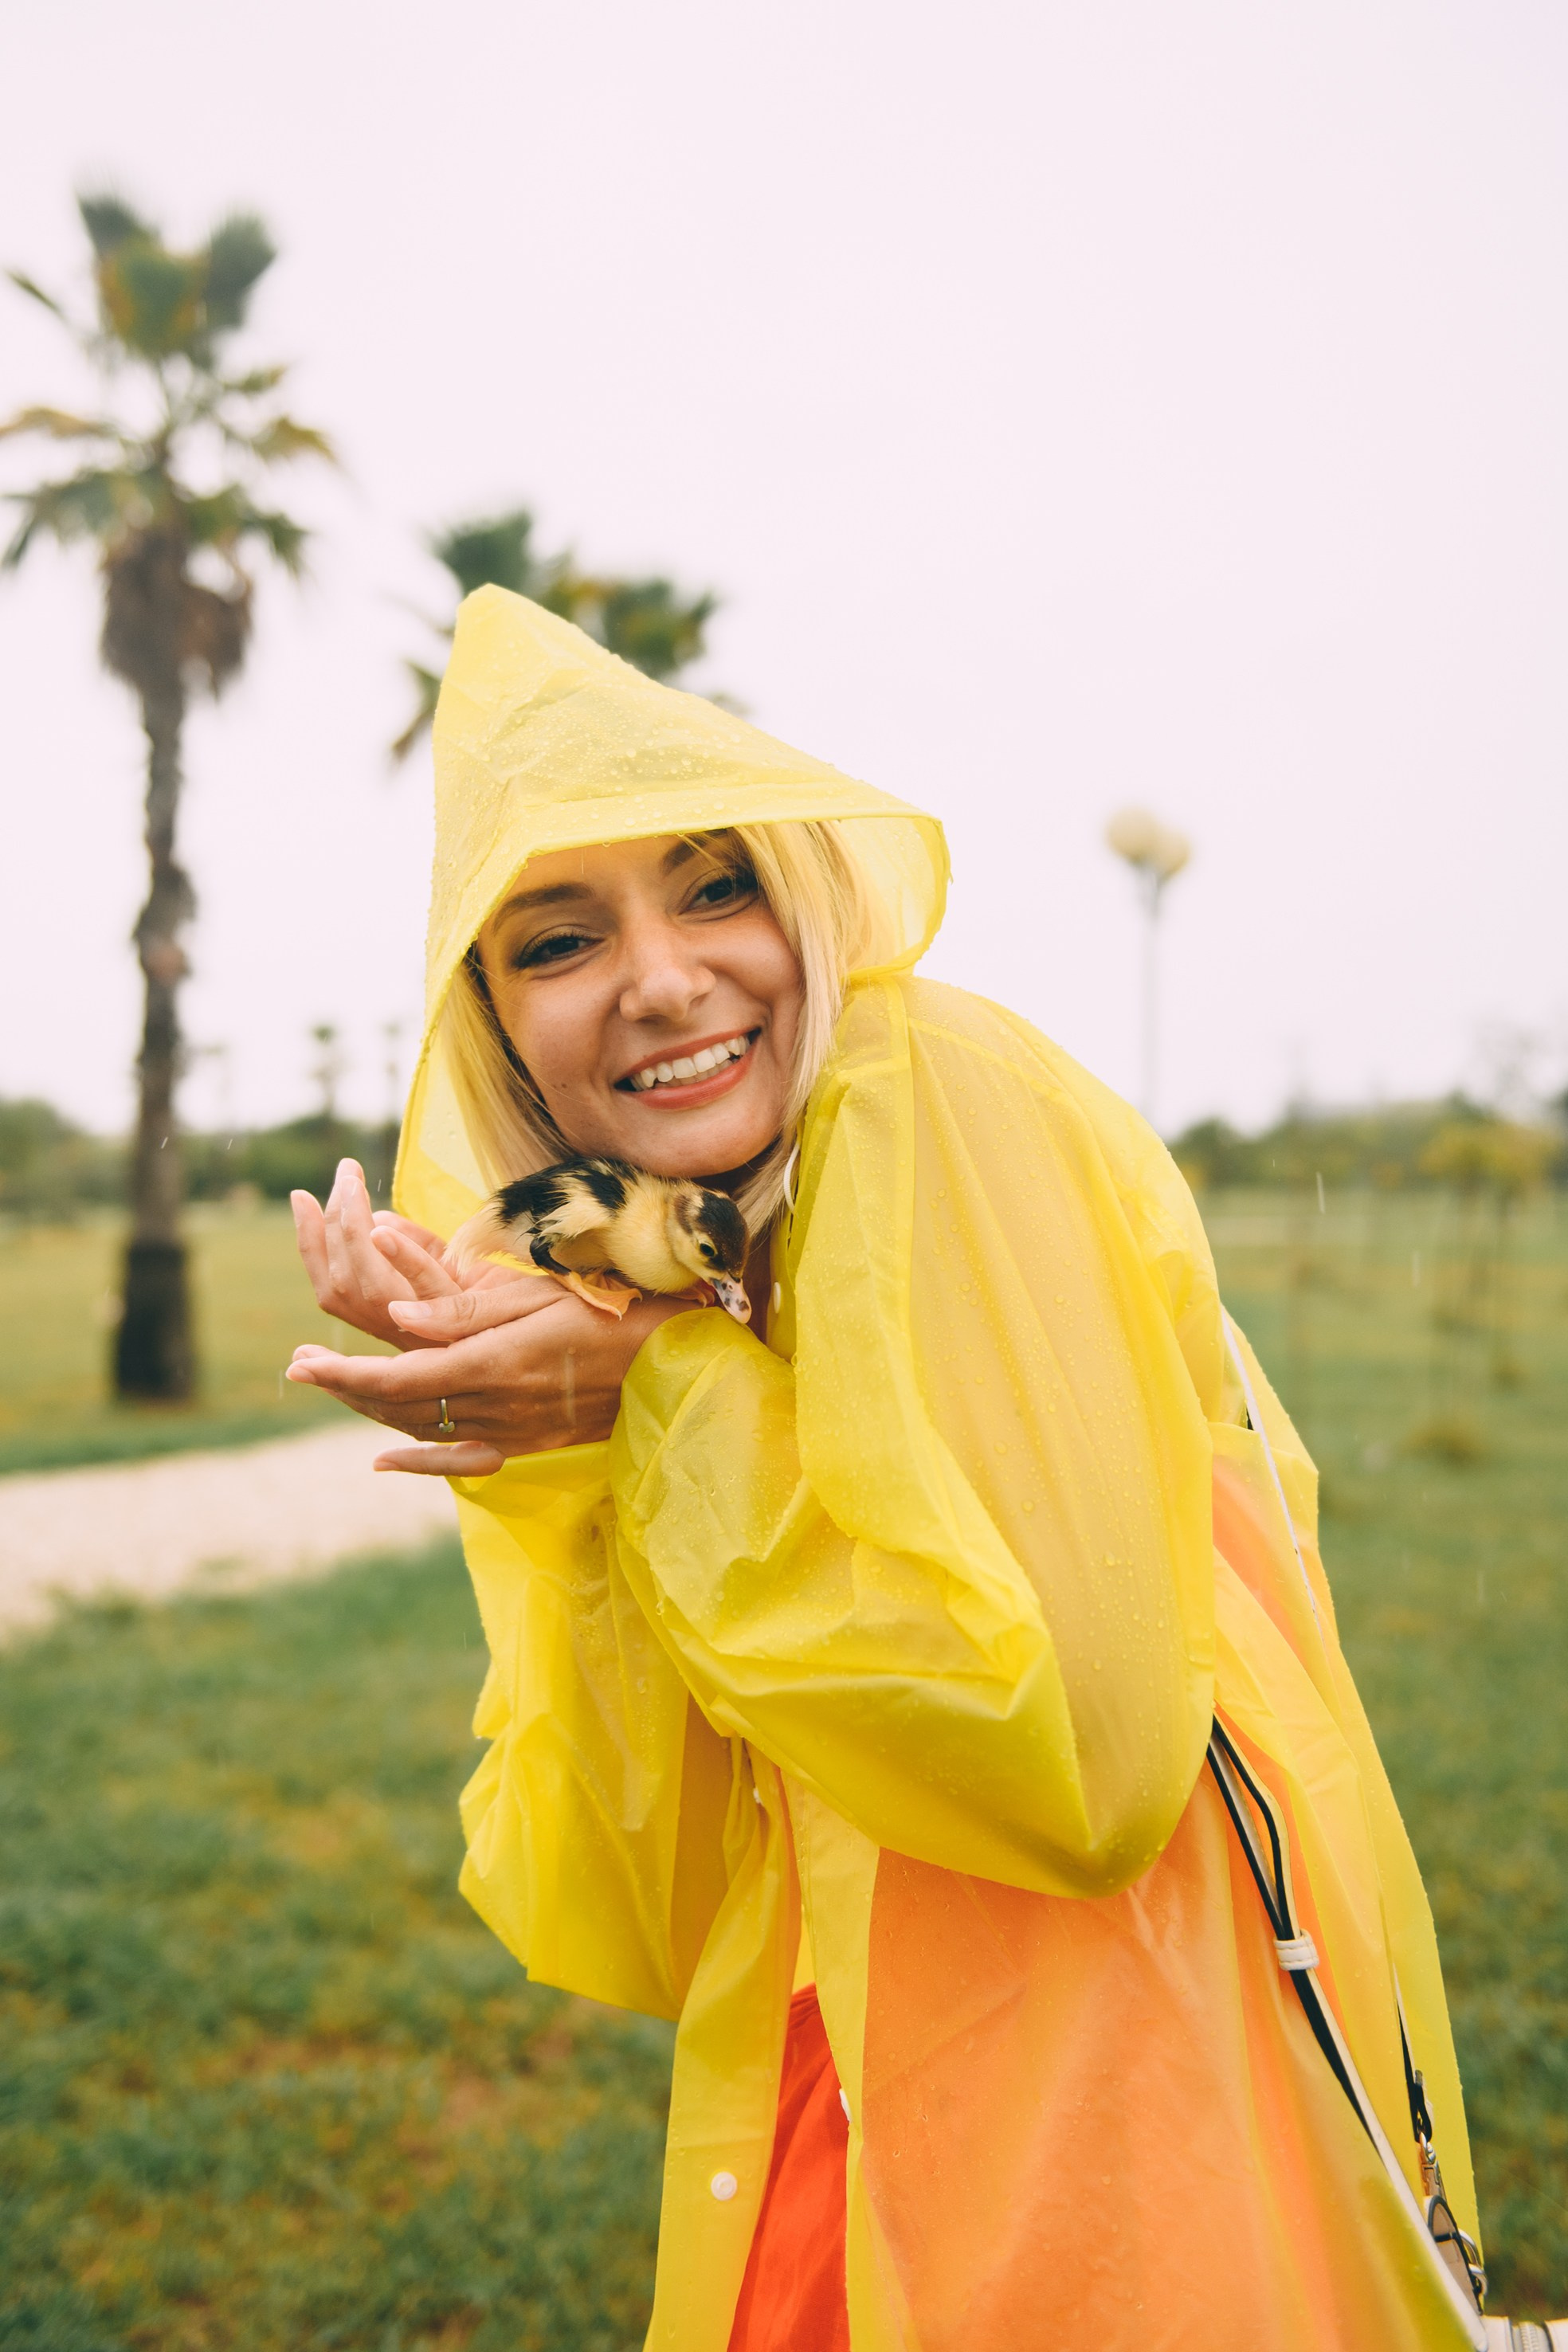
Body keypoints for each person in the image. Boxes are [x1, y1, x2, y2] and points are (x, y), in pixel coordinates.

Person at [289, 587, 1487, 2352]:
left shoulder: (938, 1095)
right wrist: (553, 1443)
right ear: (493, 1018)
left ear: (812, 893)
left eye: (718, 884)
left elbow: (1074, 1770)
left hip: (1112, 2126)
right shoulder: (699, 1260)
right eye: (558, 941)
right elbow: (635, 1902)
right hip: (849, 2091)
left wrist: (656, 1399)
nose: (668, 977)